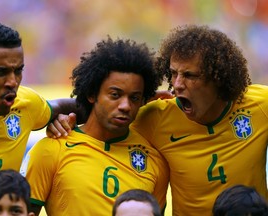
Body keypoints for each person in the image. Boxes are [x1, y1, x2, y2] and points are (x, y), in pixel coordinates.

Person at [49, 24, 268, 215]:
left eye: (190, 76)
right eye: (173, 74)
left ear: (219, 78)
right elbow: (103, 111)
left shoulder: (260, 106)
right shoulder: (156, 117)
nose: (177, 84)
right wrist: (57, 115)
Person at [20, 36, 169, 216]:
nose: (125, 106)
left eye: (134, 98)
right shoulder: (51, 149)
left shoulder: (154, 160)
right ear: (92, 94)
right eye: (115, 95)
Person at [0, 22, 77, 183]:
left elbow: (73, 108)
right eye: (0, 72)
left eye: (18, 71)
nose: (12, 82)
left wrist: (64, 119)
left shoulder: (25, 104)